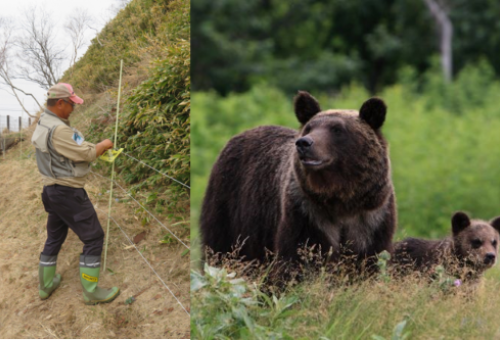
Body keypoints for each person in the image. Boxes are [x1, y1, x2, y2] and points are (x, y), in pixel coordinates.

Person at [32, 83, 120, 305]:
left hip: (51, 191)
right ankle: (91, 291)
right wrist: (105, 144)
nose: (73, 109)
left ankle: (45, 286)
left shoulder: (43, 123)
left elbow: (75, 147)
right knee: (93, 237)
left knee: (54, 237)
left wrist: (91, 146)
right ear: (60, 103)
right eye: (71, 104)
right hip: (68, 193)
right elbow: (88, 153)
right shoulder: (59, 130)